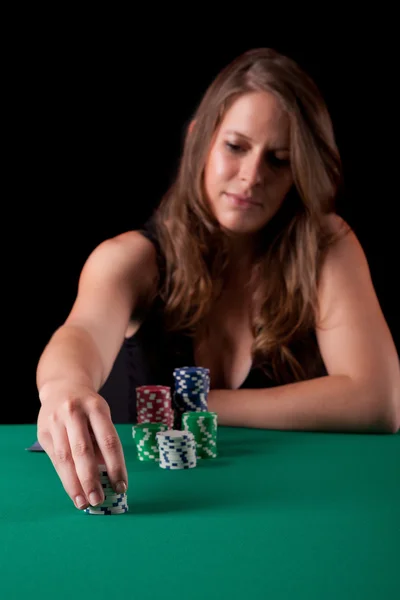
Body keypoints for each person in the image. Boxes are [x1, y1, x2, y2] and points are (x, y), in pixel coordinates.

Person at [36, 47, 400, 512]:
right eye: (235, 146)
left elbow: (378, 401)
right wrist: (64, 387)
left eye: (279, 160)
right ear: (198, 140)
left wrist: (206, 405)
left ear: (299, 173)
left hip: (287, 506)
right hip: (160, 509)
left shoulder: (326, 245)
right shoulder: (132, 259)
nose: (251, 177)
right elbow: (81, 333)